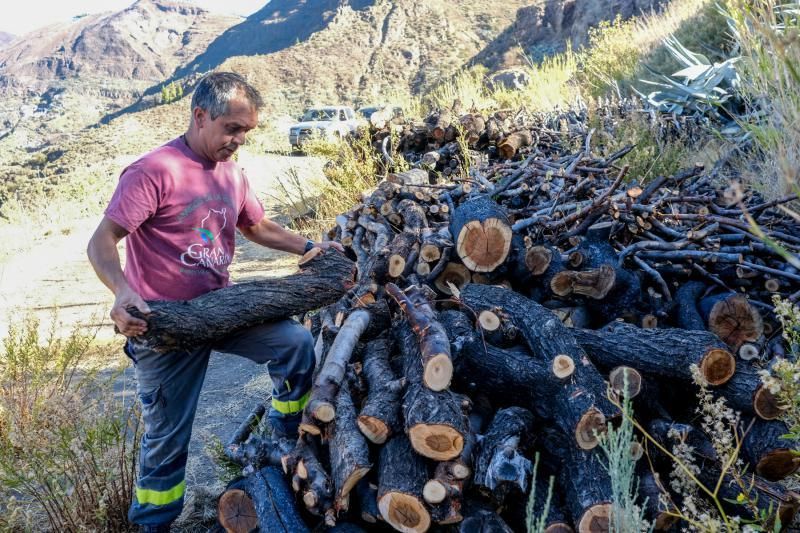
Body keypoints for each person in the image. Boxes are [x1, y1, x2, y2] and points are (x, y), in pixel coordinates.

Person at [86, 72, 342, 532]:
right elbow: (102, 241)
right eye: (232, 129)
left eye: (247, 131)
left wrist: (308, 248)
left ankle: (284, 438)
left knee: (296, 344)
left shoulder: (233, 174)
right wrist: (123, 292)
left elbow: (256, 227)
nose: (239, 140)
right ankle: (153, 524)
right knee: (167, 440)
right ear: (200, 116)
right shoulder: (155, 171)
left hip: (223, 311)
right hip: (163, 327)